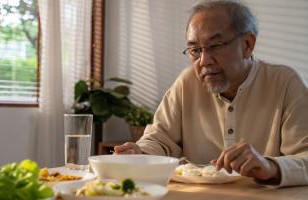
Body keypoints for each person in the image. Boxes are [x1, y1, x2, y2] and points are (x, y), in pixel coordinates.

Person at [114, 0, 308, 187]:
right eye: (195, 50)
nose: (204, 60)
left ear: (248, 45)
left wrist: (270, 166)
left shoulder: (285, 83)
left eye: (214, 46)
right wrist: (139, 153)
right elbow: (159, 139)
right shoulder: (187, 82)